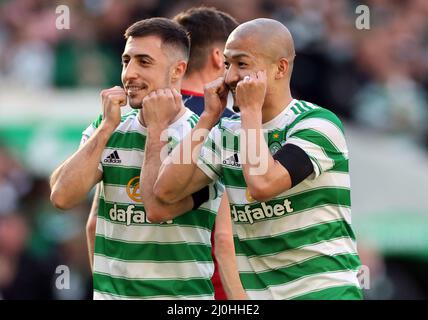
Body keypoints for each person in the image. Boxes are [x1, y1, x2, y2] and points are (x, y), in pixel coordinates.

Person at [152, 18, 363, 299]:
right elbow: (166, 190)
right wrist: (207, 118)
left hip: (324, 292)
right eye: (227, 65)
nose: (229, 77)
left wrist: (250, 112)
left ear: (280, 68)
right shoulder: (227, 131)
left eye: (242, 64)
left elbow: (263, 184)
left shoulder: (316, 124)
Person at [50, 17, 241, 299]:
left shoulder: (205, 136)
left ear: (178, 70)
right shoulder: (110, 126)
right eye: (126, 60)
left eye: (144, 62)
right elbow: (61, 197)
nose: (129, 73)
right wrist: (105, 130)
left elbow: (158, 208)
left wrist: (156, 130)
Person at [173, 6, 238, 300]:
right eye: (236, 58)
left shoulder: (137, 119)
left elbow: (94, 223)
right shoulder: (230, 125)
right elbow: (226, 237)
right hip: (211, 287)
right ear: (217, 57)